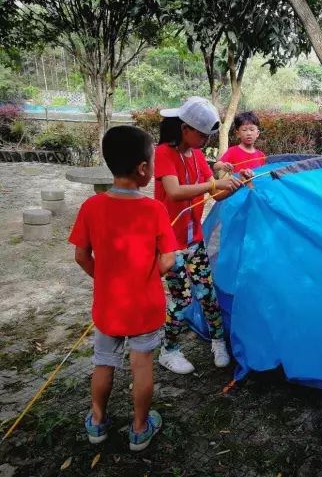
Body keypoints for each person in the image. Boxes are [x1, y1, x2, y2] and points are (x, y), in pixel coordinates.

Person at [69, 125, 178, 451]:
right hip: (144, 306)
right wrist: (144, 279)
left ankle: (98, 422)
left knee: (103, 363)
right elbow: (169, 260)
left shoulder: (92, 207)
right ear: (143, 169)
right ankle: (140, 428)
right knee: (141, 364)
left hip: (108, 305)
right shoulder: (154, 210)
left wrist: (104, 280)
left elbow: (80, 256)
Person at [154, 96, 248, 374]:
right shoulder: (163, 153)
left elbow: (215, 193)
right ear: (185, 129)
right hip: (171, 243)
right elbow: (174, 191)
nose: (206, 140)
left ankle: (218, 341)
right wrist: (213, 182)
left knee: (208, 293)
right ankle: (168, 350)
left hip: (195, 241)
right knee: (181, 299)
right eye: (203, 134)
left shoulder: (196, 156)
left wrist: (236, 183)